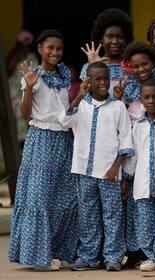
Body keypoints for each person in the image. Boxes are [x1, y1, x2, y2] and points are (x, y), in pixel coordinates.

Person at [8, 29, 79, 271]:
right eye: (50, 48)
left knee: (65, 196)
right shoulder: (32, 76)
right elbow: (25, 114)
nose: (55, 53)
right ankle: (37, 256)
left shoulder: (64, 75)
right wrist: (28, 88)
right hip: (41, 139)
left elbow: (65, 109)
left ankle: (59, 250)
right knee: (39, 197)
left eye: (59, 49)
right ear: (40, 49)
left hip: (63, 139)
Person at [59, 62, 133, 271]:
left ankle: (113, 257)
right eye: (97, 79)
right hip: (84, 170)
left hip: (109, 172)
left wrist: (116, 167)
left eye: (105, 78)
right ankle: (88, 256)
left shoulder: (118, 107)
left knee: (112, 215)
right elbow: (65, 121)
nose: (102, 83)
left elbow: (126, 140)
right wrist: (79, 96)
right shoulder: (80, 104)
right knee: (88, 215)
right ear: (88, 82)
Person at [122, 79, 155, 272]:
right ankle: (150, 257)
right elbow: (133, 154)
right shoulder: (138, 125)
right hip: (142, 182)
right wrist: (127, 178)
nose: (151, 100)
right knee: (145, 222)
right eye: (147, 97)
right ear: (141, 100)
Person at [80, 8, 133, 97]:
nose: (115, 41)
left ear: (125, 39)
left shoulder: (132, 66)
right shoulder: (89, 66)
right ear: (101, 38)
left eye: (120, 37)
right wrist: (93, 65)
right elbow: (84, 96)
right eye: (109, 36)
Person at [6, 30, 38, 143]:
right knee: (22, 115)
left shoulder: (13, 54)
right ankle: (21, 140)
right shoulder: (31, 57)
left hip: (9, 91)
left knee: (11, 118)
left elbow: (7, 70)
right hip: (21, 92)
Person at [119, 41, 155, 122]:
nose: (141, 69)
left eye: (144, 64)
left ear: (153, 63)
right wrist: (118, 97)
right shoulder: (129, 87)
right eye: (136, 66)